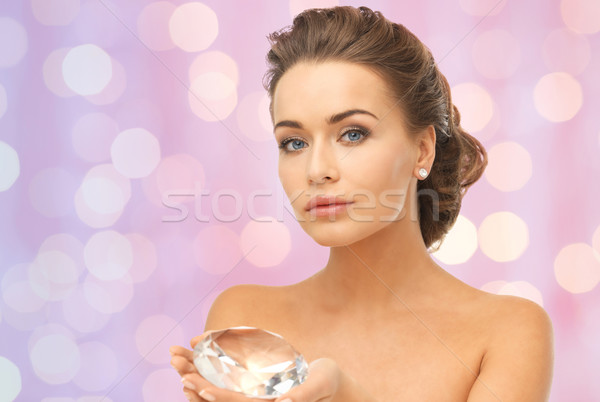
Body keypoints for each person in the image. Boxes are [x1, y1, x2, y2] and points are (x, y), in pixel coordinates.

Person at [170, 6, 554, 401]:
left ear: (422, 150)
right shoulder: (246, 321)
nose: (317, 171)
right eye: (294, 142)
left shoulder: (508, 330)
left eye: (352, 134)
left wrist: (346, 395)